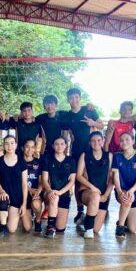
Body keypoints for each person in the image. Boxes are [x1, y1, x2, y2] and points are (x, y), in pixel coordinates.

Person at [61, 87, 103, 222]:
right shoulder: (67, 116)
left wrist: (93, 123)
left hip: (92, 149)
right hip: (76, 151)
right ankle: (80, 210)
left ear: (80, 98)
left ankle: (99, 205)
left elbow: (101, 125)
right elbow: (65, 134)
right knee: (78, 180)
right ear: (68, 100)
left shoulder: (88, 110)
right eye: (71, 98)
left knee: (94, 177)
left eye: (76, 97)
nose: (74, 100)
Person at [76, 131, 113, 239]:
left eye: (98, 140)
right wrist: (92, 188)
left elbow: (112, 178)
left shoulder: (109, 156)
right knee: (95, 196)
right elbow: (79, 176)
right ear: (89, 143)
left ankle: (88, 218)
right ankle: (88, 230)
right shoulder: (85, 156)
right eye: (93, 141)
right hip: (87, 191)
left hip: (103, 193)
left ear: (103, 141)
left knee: (96, 229)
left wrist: (106, 195)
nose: (96, 143)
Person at [111, 132, 136, 238]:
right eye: (121, 140)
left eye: (127, 139)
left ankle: (125, 218)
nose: (124, 142)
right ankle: (120, 227)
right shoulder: (117, 156)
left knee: (132, 229)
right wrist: (119, 191)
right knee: (127, 198)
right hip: (121, 191)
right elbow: (115, 176)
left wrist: (131, 191)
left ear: (133, 141)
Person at [41, 136, 76, 238]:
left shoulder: (71, 160)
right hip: (50, 192)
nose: (59, 146)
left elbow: (72, 181)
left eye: (62, 144)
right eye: (56, 144)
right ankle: (50, 227)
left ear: (65, 146)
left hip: (64, 194)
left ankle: (53, 214)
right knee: (54, 198)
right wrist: (50, 191)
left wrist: (60, 192)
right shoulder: (48, 159)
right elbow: (44, 180)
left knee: (60, 229)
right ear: (53, 146)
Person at [0, 135, 28, 236]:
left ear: (16, 145)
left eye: (12, 143)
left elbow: (24, 184)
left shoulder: (22, 162)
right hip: (2, 194)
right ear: (3, 145)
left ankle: (2, 218)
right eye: (7, 143)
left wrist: (24, 203)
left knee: (12, 229)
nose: (9, 146)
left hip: (16, 196)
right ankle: (2, 228)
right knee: (3, 199)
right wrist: (2, 191)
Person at [21, 139, 44, 233]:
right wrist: (29, 189)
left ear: (35, 149)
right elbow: (16, 181)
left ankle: (38, 220)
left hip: (35, 193)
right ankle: (26, 214)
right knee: (27, 229)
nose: (29, 149)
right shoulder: (18, 161)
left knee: (36, 204)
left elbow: (42, 181)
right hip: (22, 195)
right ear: (23, 148)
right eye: (27, 146)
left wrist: (38, 192)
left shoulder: (38, 163)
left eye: (32, 147)